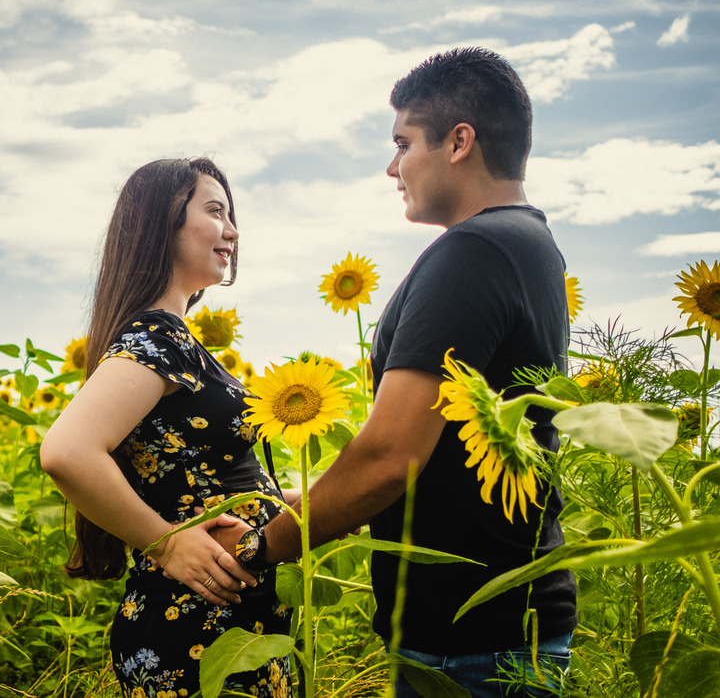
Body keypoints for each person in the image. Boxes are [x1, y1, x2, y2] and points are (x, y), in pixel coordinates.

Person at [214, 48, 577, 697]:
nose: (392, 167)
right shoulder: (531, 245)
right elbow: (441, 460)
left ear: (459, 141)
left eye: (403, 142)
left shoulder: (473, 251)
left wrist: (263, 547)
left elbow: (392, 456)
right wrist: (306, 502)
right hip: (504, 623)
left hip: (469, 644)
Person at [40, 157, 293, 698]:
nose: (232, 231)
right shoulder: (160, 337)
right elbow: (67, 451)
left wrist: (323, 501)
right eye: (214, 210)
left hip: (226, 626)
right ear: (164, 223)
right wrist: (169, 546)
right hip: (195, 630)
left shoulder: (175, 341)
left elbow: (203, 481)